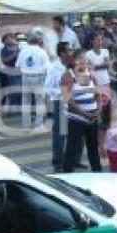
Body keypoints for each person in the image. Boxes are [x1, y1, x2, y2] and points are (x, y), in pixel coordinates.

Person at [61, 50, 102, 173]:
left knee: (93, 149)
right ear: (74, 61)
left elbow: (98, 95)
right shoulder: (67, 76)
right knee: (71, 150)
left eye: (85, 60)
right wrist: (85, 114)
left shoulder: (91, 75)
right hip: (76, 120)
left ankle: (98, 173)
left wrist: (98, 109)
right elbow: (67, 99)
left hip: (92, 119)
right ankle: (67, 175)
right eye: (81, 60)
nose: (84, 62)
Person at [45, 42, 72, 172]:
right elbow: (47, 88)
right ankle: (58, 163)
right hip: (59, 102)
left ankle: (73, 160)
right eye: (69, 51)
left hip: (73, 102)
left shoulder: (72, 66)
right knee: (59, 135)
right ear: (62, 53)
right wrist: (62, 93)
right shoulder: (53, 68)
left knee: (73, 133)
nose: (71, 53)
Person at [15, 33, 50, 129]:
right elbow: (47, 67)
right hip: (38, 77)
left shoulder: (23, 51)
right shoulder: (41, 51)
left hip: (25, 77)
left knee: (25, 101)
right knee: (39, 101)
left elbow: (17, 66)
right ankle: (38, 124)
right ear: (38, 41)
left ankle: (26, 124)